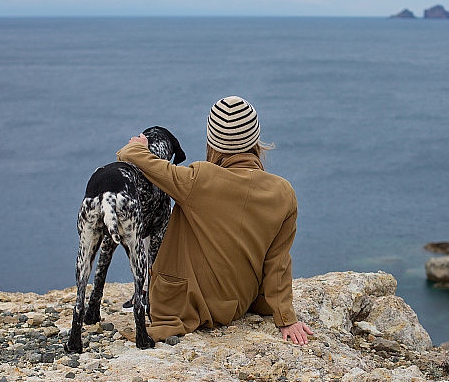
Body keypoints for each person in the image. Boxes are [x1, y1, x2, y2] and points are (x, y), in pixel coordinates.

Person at [116, 96, 314, 345]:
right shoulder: (283, 192)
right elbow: (278, 263)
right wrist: (286, 318)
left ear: (212, 141)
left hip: (185, 307)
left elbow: (145, 163)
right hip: (238, 305)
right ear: (255, 141)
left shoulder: (198, 179)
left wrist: (137, 146)